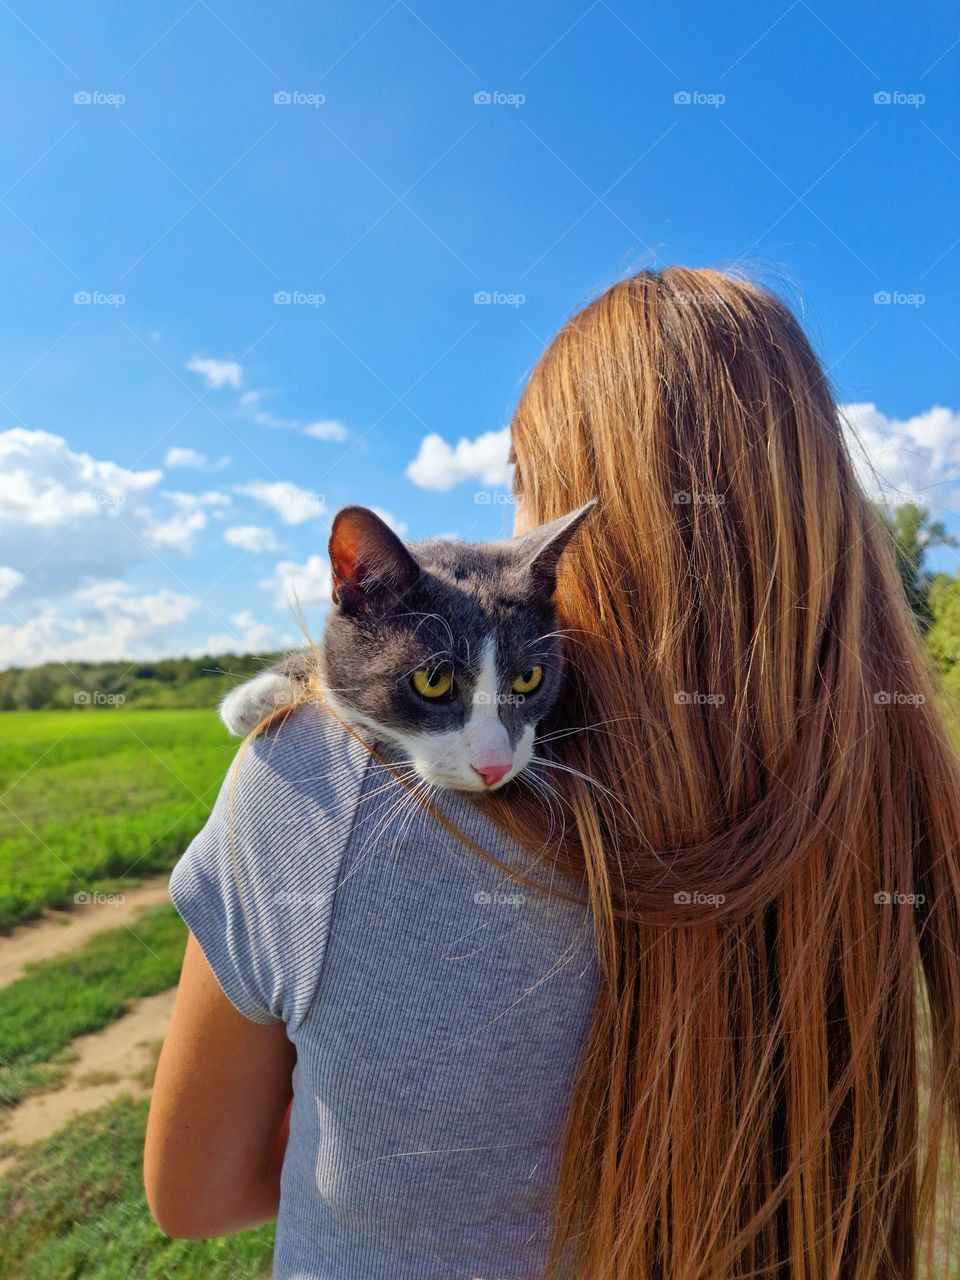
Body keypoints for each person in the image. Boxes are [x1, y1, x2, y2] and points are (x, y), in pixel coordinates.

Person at [145, 268, 960, 1279]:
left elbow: (194, 1191)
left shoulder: (313, 781)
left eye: (525, 477)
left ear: (572, 517)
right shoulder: (881, 798)